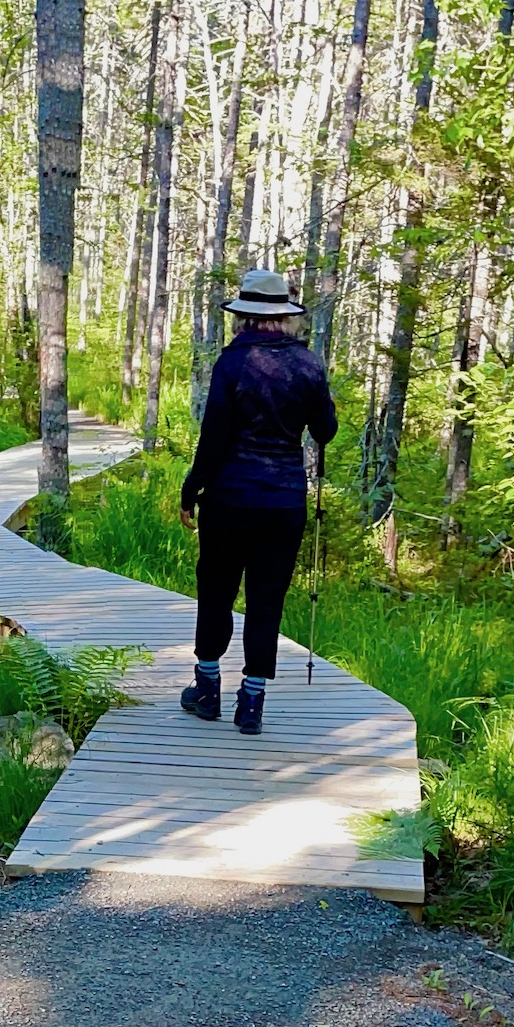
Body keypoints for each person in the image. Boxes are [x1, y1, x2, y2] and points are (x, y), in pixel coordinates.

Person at [178, 268, 338, 736]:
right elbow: (325, 432)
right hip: (283, 500)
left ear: (244, 316)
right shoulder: (308, 365)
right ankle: (252, 702)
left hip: (228, 498)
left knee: (216, 589)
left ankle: (207, 690)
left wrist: (192, 490)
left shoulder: (233, 363)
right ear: (284, 317)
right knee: (267, 598)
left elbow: (214, 439)